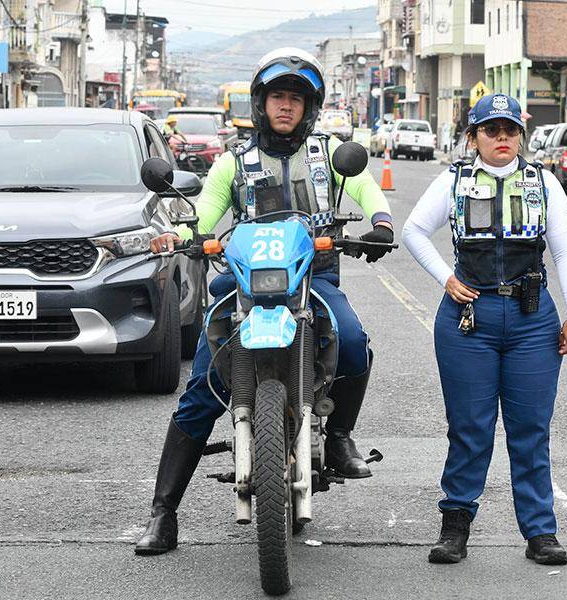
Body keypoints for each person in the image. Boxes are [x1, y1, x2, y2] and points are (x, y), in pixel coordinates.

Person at [135, 47, 395, 556]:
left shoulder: (329, 155)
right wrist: (193, 234)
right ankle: (163, 514)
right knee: (204, 388)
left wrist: (381, 223)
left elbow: (367, 190)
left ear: (309, 108)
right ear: (261, 102)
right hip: (244, 287)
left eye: (296, 99)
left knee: (355, 344)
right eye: (277, 96)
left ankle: (339, 437)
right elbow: (206, 212)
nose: (285, 106)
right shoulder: (234, 161)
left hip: (311, 280)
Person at [402, 93, 567, 566]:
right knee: (469, 428)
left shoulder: (543, 182)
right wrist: (447, 278)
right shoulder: (454, 180)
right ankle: (455, 526)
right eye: (490, 130)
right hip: (469, 322)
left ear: (520, 135)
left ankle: (541, 532)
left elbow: (563, 251)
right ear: (473, 137)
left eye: (509, 130)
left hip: (532, 322)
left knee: (530, 429)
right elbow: (414, 230)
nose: (501, 138)